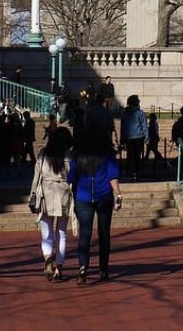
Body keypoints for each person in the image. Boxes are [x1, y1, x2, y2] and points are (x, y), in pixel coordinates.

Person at [68, 120, 122, 284]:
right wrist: (118, 195)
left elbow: (70, 177)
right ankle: (103, 269)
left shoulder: (78, 155)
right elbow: (112, 176)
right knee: (104, 234)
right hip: (104, 195)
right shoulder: (107, 154)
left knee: (85, 234)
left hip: (83, 197)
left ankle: (83, 267)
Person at [31, 126, 75, 282]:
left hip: (45, 194)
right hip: (63, 194)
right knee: (61, 232)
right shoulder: (69, 155)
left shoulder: (43, 154)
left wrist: (33, 195)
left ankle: (48, 259)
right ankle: (60, 266)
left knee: (46, 233)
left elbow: (36, 177)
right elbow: (73, 176)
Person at [120, 95, 147, 181]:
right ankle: (137, 173)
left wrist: (122, 139)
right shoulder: (140, 113)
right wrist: (146, 137)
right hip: (139, 137)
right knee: (137, 156)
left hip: (129, 137)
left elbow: (123, 127)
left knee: (131, 156)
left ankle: (133, 173)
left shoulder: (124, 113)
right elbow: (144, 126)